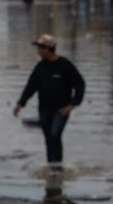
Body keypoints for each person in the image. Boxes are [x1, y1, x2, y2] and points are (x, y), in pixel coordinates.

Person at [13, 34, 85, 170]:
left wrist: (73, 105)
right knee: (48, 138)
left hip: (61, 109)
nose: (38, 51)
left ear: (48, 49)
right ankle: (52, 166)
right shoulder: (40, 67)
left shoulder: (65, 65)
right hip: (44, 109)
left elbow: (80, 84)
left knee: (55, 135)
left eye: (40, 48)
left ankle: (57, 167)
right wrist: (20, 104)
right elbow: (30, 87)